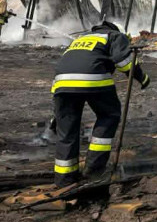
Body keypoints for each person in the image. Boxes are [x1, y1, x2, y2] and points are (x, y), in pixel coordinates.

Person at [51, 20, 150, 186]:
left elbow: (69, 65)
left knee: (67, 129)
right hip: (93, 78)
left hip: (60, 83)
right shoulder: (114, 35)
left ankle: (64, 180)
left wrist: (56, 116)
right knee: (109, 115)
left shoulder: (81, 39)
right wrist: (143, 78)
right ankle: (94, 170)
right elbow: (123, 61)